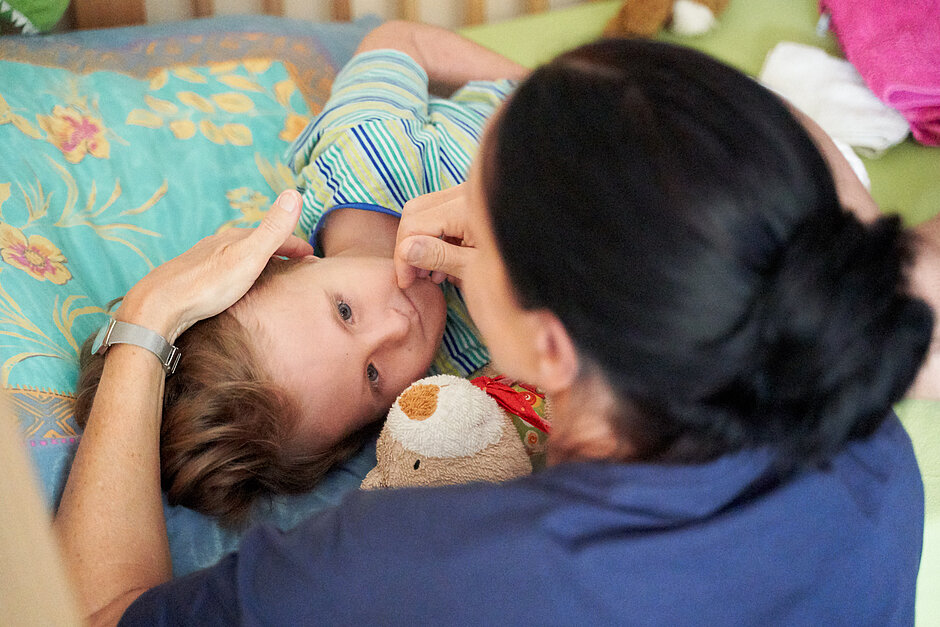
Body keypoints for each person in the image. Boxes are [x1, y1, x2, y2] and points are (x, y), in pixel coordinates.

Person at [56, 32, 933, 626]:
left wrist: (147, 319)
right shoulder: (875, 456)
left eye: (479, 207)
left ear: (546, 348)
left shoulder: (403, 559)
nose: (402, 317)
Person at [70, 21, 527, 525]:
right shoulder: (472, 376)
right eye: (373, 376)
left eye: (346, 311)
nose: (398, 326)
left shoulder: (361, 151)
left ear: (289, 257)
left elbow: (402, 42)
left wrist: (538, 83)